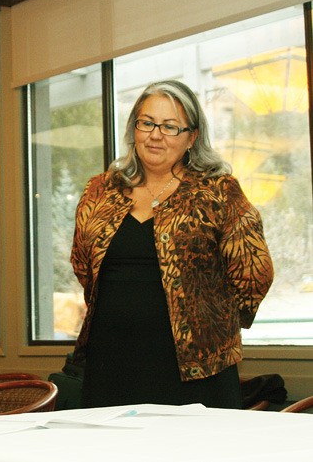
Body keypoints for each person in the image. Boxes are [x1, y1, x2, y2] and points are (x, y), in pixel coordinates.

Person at [68, 80, 274, 409]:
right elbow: (82, 264)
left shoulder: (219, 191)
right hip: (109, 361)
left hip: (195, 370)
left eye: (170, 126)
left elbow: (254, 273)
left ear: (192, 136)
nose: (155, 134)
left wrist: (211, 322)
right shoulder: (100, 189)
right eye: (147, 122)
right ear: (134, 127)